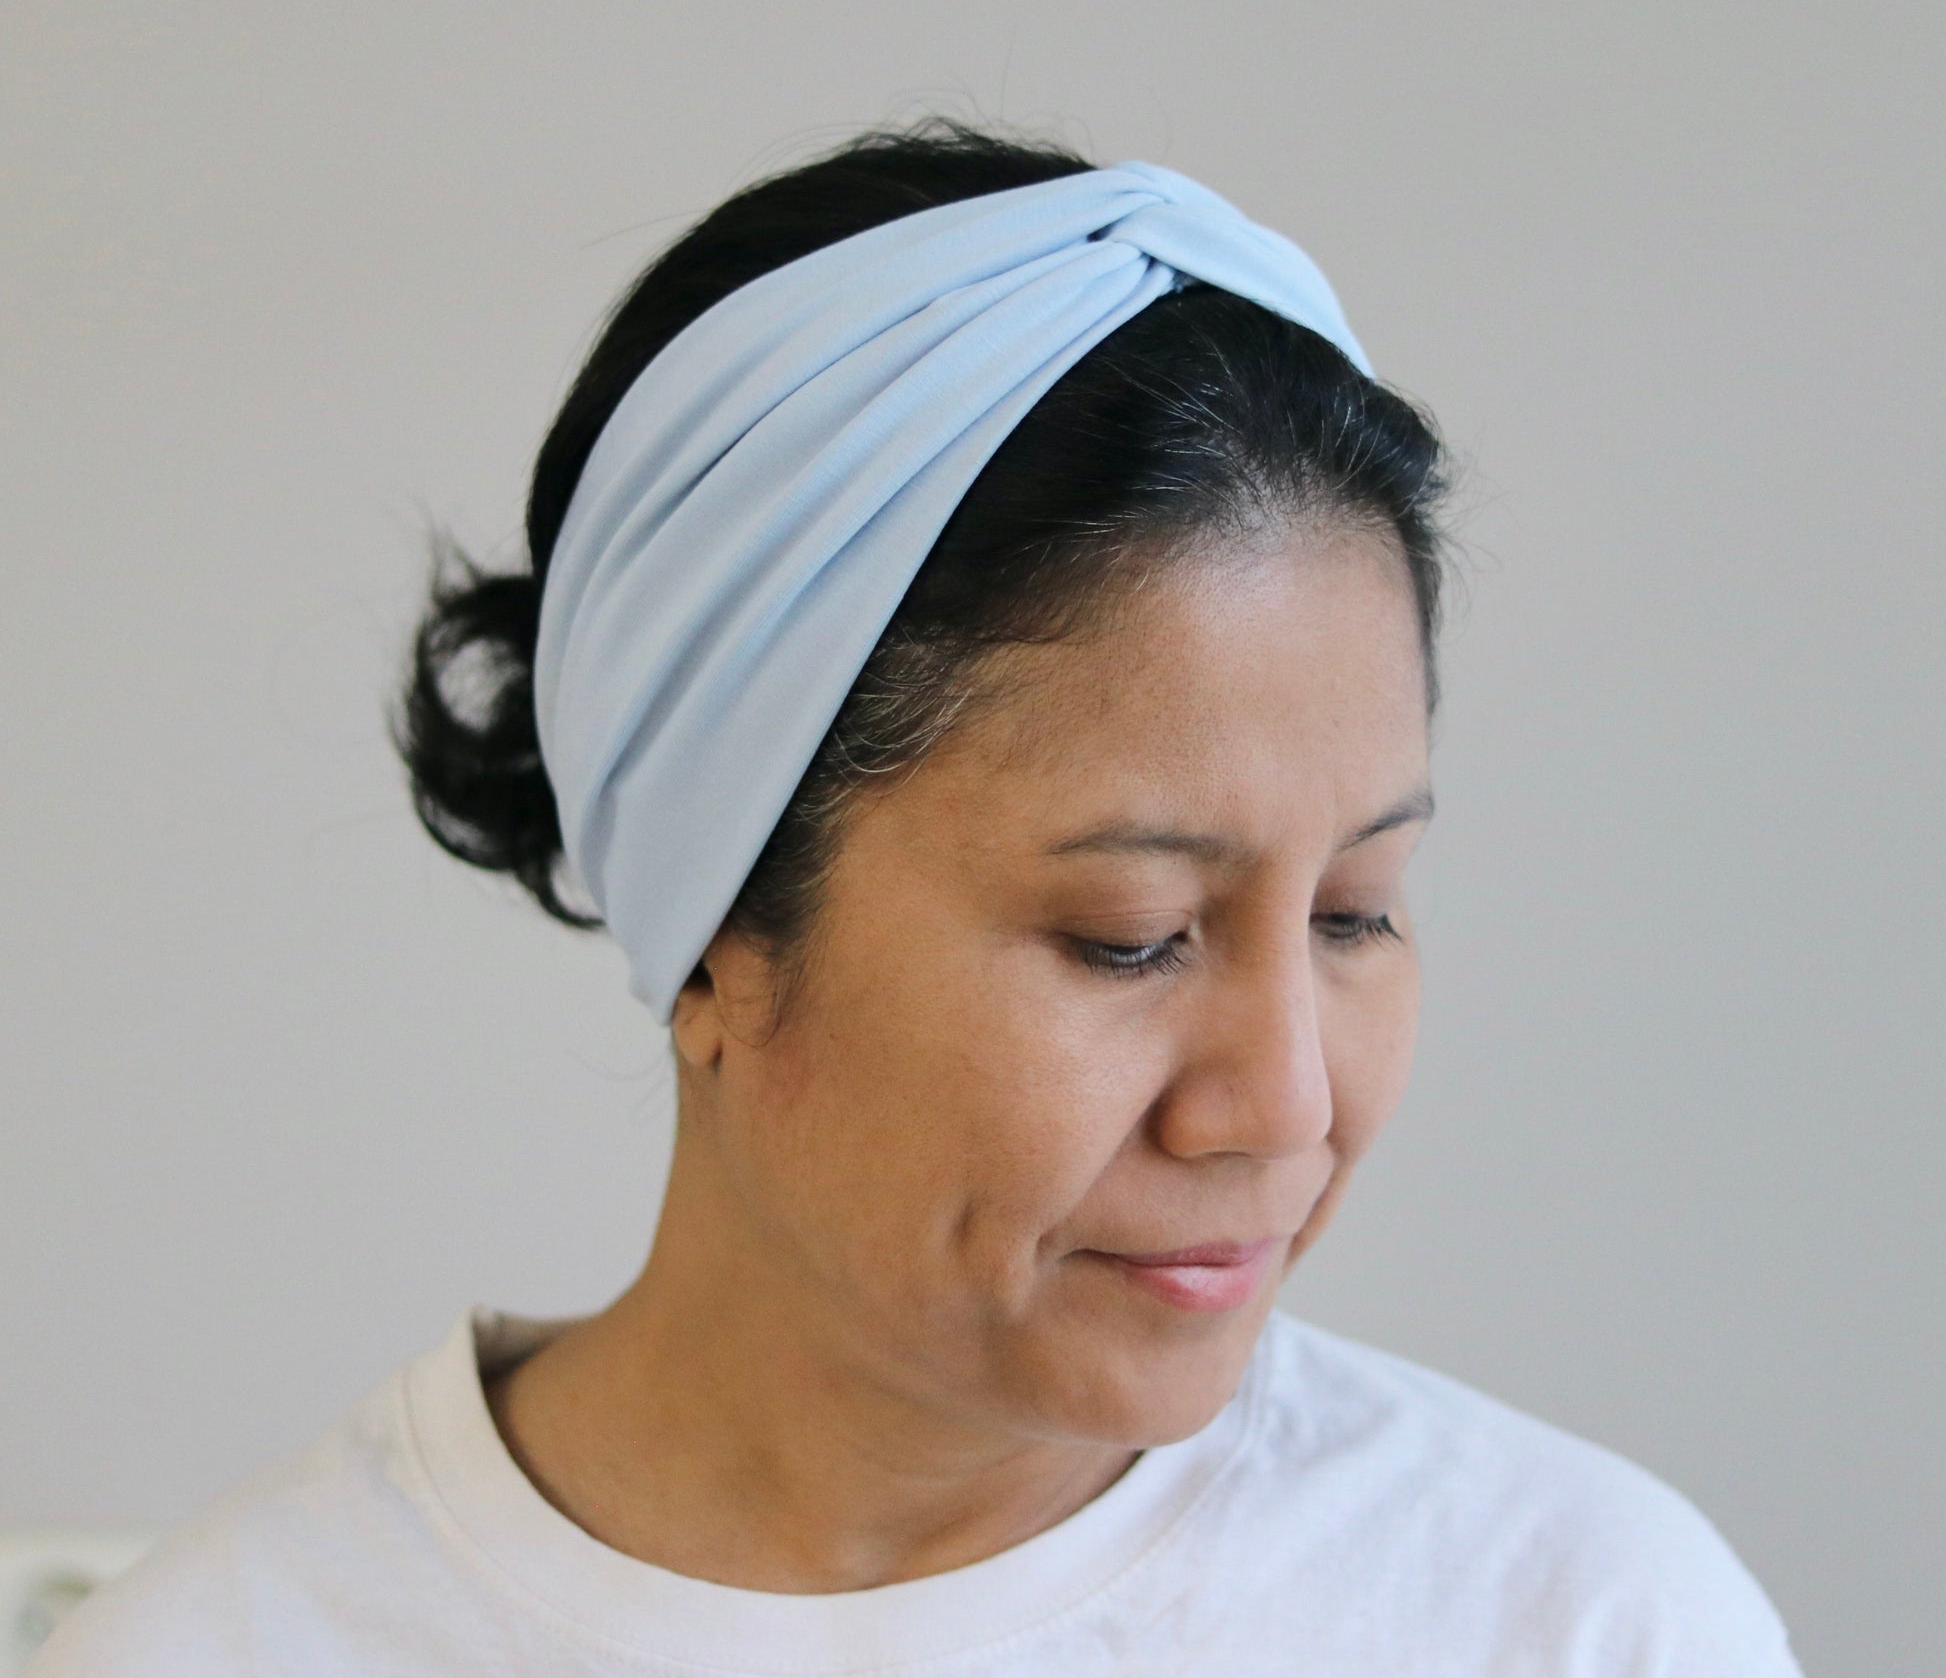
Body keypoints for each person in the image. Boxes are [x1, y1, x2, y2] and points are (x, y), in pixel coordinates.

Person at [34, 121, 1803, 1676]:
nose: (1282, 1104)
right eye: (1129, 936)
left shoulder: (1574, 1619)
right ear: (719, 930)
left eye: (1355, 910)